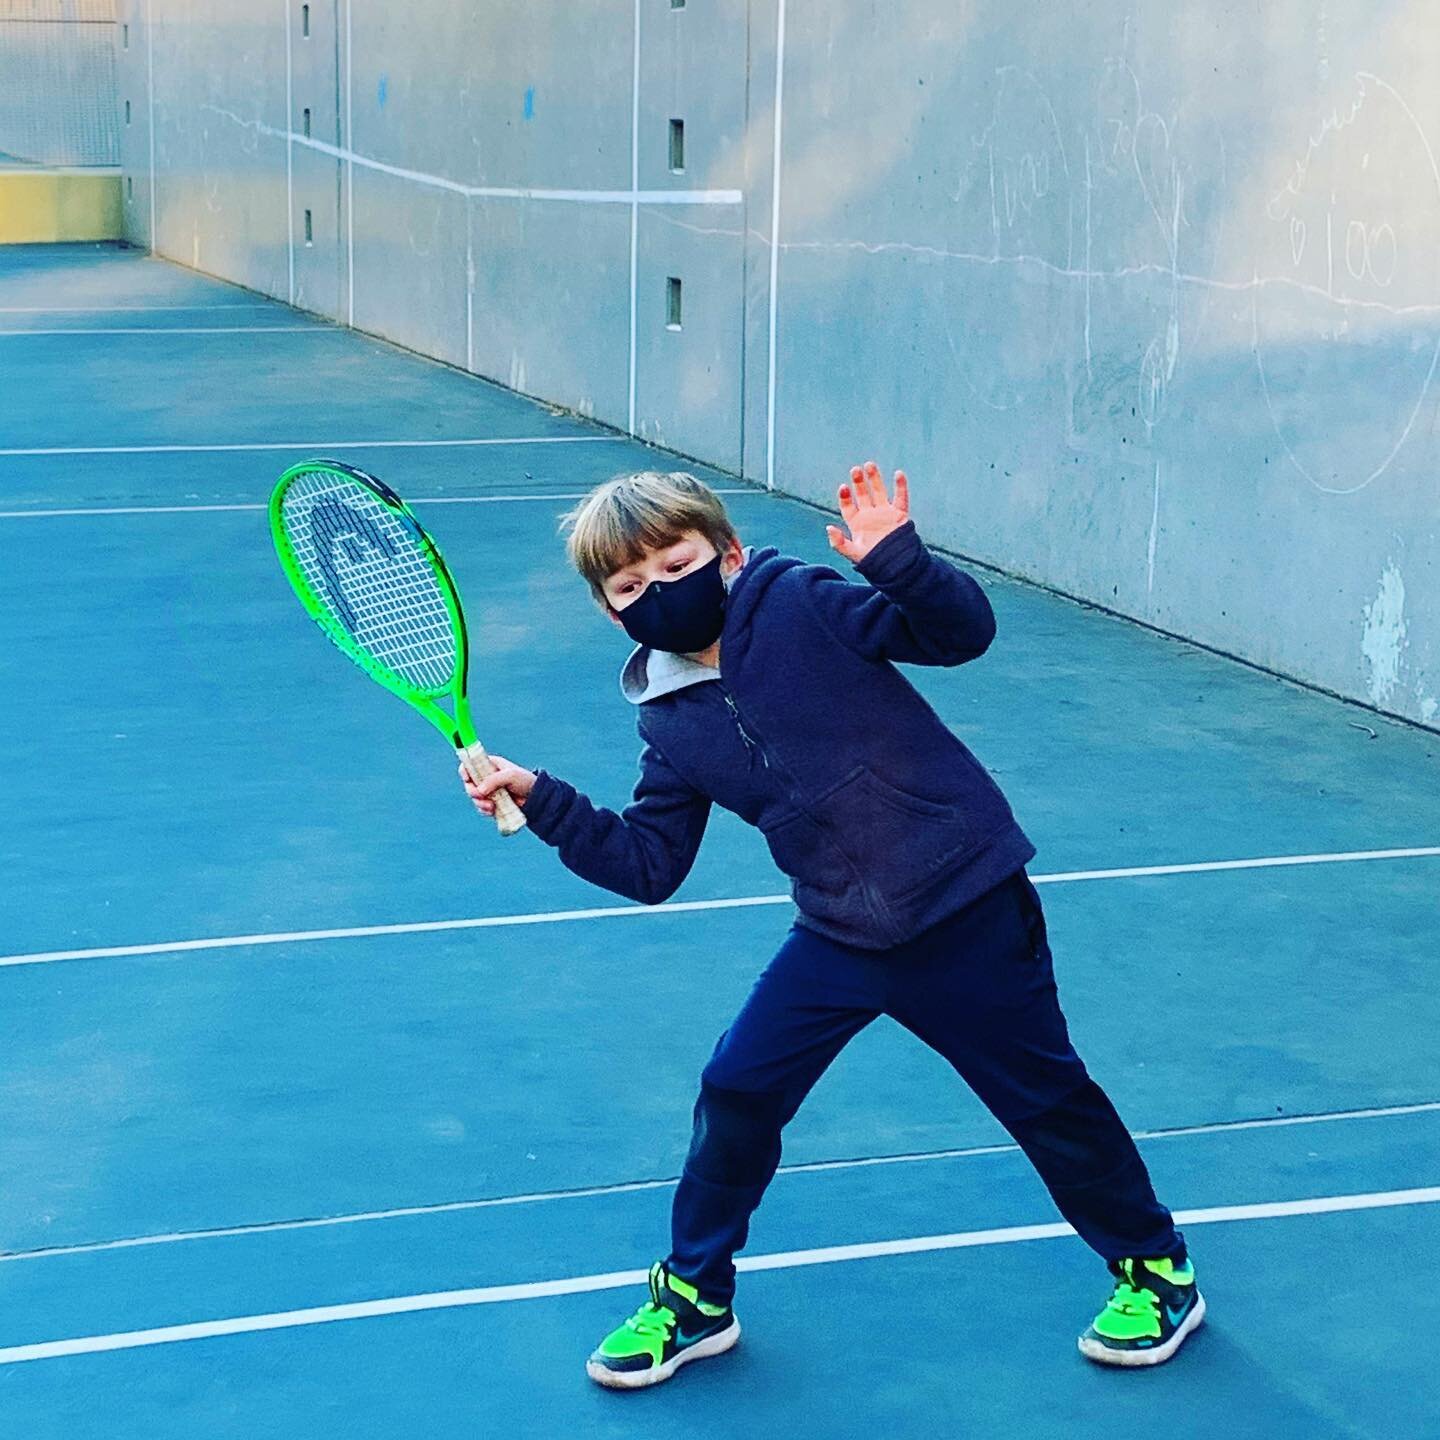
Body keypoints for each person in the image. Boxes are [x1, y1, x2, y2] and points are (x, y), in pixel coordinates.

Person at [461, 463, 1204, 1388]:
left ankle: (1153, 1263)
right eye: (630, 585)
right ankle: (694, 1296)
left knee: (1044, 1098)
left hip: (964, 905)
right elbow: (648, 867)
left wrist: (898, 559)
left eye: (676, 562)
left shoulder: (801, 602)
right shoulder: (669, 723)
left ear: (727, 555)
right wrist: (542, 799)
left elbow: (956, 633)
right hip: (841, 936)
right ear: (611, 613)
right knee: (738, 1089)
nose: (658, 588)